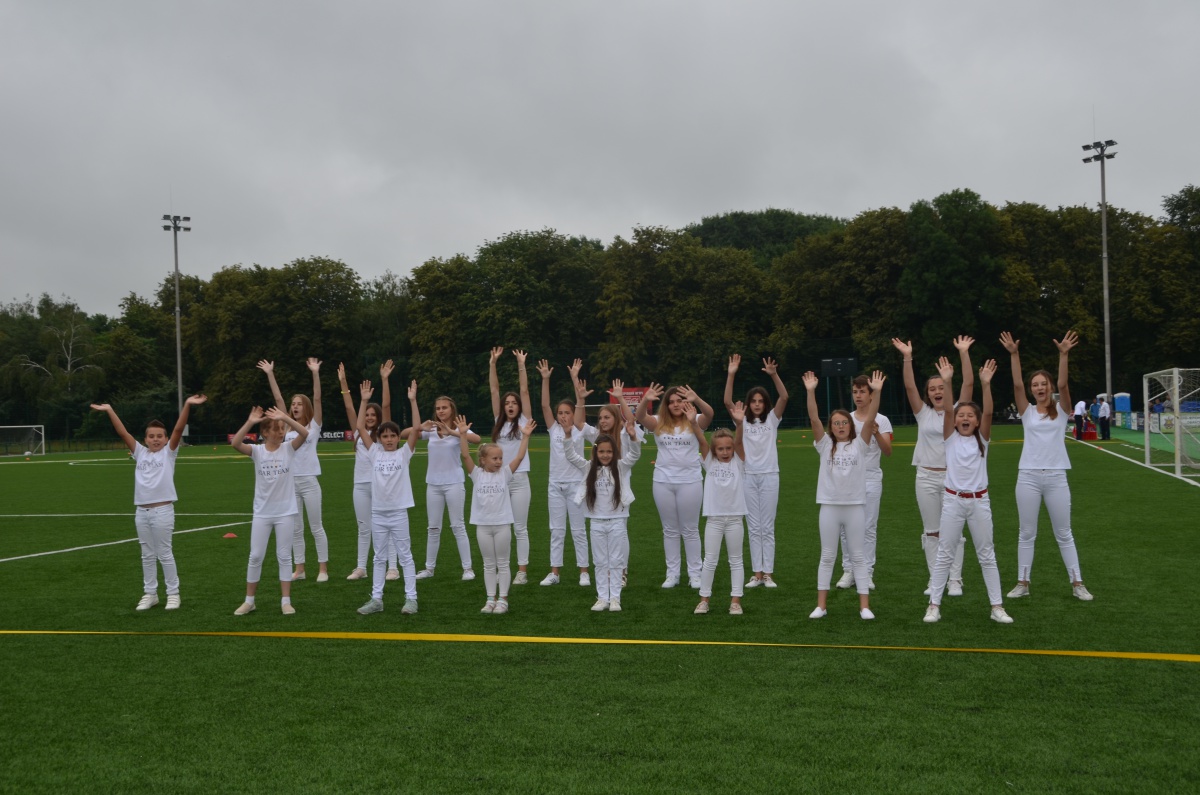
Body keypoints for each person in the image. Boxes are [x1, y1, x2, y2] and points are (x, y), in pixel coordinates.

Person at [999, 330, 1094, 602]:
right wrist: (1014, 354)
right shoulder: (1027, 411)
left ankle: (1077, 583)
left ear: (1049, 387)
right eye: (1035, 385)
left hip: (1056, 478)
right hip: (1027, 476)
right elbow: (1017, 385)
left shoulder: (1062, 410)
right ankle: (1023, 582)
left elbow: (1064, 386)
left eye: (1044, 384)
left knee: (1064, 533)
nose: (1039, 388)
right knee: (1026, 532)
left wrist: (1064, 355)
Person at [91, 394, 206, 611]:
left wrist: (188, 405)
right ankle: (150, 593)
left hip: (162, 511)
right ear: (145, 439)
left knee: (164, 552)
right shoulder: (140, 454)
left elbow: (179, 429)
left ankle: (173, 594)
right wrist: (109, 410)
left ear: (165, 438)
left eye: (159, 436)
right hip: (141, 512)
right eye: (151, 436)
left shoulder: (168, 454)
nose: (155, 439)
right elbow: (122, 432)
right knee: (146, 554)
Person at [923, 358, 1013, 625]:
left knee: (987, 555)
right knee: (944, 554)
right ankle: (933, 605)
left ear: (976, 422)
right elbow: (949, 411)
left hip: (979, 503)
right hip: (953, 502)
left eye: (969, 416)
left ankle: (997, 606)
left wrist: (986, 385)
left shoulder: (982, 439)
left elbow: (987, 412)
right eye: (961, 415)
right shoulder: (949, 438)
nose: (964, 418)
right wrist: (948, 381)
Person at [892, 337, 975, 596]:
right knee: (932, 532)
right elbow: (908, 386)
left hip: (954, 479)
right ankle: (935, 580)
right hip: (926, 477)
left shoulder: (958, 410)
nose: (937, 391)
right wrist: (908, 356)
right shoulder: (923, 413)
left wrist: (963, 353)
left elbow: (970, 384)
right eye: (932, 389)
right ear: (928, 394)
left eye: (941, 386)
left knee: (953, 531)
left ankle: (955, 580)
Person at [802, 369, 885, 620]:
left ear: (850, 426)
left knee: (858, 556)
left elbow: (870, 421)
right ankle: (821, 606)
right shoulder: (825, 445)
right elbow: (814, 419)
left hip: (854, 508)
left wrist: (877, 392)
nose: (840, 426)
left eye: (844, 423)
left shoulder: (860, 444)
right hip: (829, 507)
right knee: (827, 556)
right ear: (831, 427)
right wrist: (810, 391)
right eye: (836, 423)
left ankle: (864, 606)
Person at [451, 414, 535, 615]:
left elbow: (520, 457)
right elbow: (465, 456)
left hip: (502, 525)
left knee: (503, 563)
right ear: (483, 460)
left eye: (500, 458)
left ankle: (503, 599)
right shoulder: (476, 474)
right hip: (483, 526)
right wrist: (462, 435)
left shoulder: (505, 474)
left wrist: (525, 437)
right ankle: (490, 598)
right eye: (494, 458)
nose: (499, 462)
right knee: (489, 564)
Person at [230, 405, 310, 615]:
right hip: (262, 513)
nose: (281, 432)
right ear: (264, 432)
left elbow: (304, 433)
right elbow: (235, 443)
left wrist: (285, 417)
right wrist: (249, 422)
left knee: (284, 556)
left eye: (282, 428)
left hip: (285, 512)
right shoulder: (257, 451)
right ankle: (249, 601)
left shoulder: (289, 449)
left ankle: (285, 601)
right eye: (276, 429)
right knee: (255, 556)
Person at [561, 407, 642, 612]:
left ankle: (615, 598)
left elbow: (635, 454)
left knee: (615, 561)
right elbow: (570, 455)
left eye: (609, 452)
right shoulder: (589, 468)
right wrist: (568, 435)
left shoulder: (622, 467)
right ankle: (602, 598)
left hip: (616, 521)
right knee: (599, 561)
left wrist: (633, 437)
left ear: (614, 453)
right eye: (601, 451)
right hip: (596, 521)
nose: (605, 455)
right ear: (595, 452)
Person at [636, 384, 715, 589]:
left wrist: (696, 398)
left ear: (685, 402)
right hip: (663, 481)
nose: (675, 405)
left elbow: (709, 413)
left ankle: (695, 574)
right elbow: (640, 415)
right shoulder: (659, 423)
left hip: (690, 481)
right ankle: (672, 574)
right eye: (671, 402)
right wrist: (646, 399)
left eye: (679, 401)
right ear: (666, 406)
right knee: (670, 530)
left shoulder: (694, 420)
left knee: (690, 529)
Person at [354, 379, 422, 616]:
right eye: (385, 436)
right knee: (379, 557)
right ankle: (376, 599)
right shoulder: (374, 453)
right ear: (380, 439)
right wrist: (363, 401)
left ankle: (411, 599)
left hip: (398, 513)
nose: (390, 439)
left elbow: (416, 429)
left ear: (398, 438)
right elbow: (361, 427)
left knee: (405, 557)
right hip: (378, 513)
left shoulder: (404, 454)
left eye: (393, 435)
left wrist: (413, 401)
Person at [259, 358, 329, 583]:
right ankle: (300, 569)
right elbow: (278, 399)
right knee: (296, 529)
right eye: (293, 403)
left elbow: (317, 397)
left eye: (299, 403)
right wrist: (270, 373)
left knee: (316, 527)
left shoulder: (314, 425)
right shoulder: (286, 425)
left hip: (309, 481)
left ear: (306, 407)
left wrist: (315, 373)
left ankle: (323, 569)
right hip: (290, 483)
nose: (295, 406)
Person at [722, 355, 788, 589]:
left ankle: (768, 573)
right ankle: (757, 574)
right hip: (748, 476)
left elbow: (784, 396)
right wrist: (731, 373)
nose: (757, 404)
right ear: (748, 404)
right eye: (753, 401)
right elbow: (728, 400)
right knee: (753, 526)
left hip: (770, 475)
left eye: (761, 400)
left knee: (767, 526)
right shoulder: (742, 421)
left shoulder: (772, 419)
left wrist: (773, 374)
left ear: (765, 403)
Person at [337, 361, 399, 581]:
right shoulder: (358, 432)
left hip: (382, 486)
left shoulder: (385, 433)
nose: (370, 417)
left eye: (374, 414)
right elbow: (349, 407)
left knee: (388, 526)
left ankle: (393, 567)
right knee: (364, 527)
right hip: (361, 486)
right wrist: (344, 382)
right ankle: (361, 567)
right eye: (368, 414)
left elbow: (387, 404)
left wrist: (384, 380)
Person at [538, 358, 594, 588]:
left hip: (576, 486)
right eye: (560, 413)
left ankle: (583, 571)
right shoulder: (553, 430)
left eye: (566, 413)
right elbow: (544, 406)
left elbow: (580, 404)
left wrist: (575, 379)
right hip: (555, 486)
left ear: (574, 414)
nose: (562, 416)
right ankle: (555, 572)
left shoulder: (579, 429)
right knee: (557, 531)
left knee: (579, 530)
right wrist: (545, 379)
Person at [835, 374, 893, 591]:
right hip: (847, 479)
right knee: (845, 527)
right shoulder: (846, 418)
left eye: (862, 391)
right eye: (855, 391)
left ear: (871, 395)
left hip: (870, 478)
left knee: (868, 527)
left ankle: (866, 572)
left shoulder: (882, 419)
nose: (858, 396)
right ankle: (849, 570)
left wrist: (876, 433)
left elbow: (887, 452)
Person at [413, 394, 478, 582]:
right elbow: (405, 434)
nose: (441, 411)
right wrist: (419, 427)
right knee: (433, 528)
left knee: (458, 525)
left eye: (444, 408)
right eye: (438, 408)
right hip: (433, 484)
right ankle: (429, 568)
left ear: (452, 410)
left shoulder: (459, 428)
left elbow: (476, 438)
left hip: (454, 483)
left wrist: (454, 432)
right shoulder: (431, 429)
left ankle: (467, 568)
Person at [692, 403, 748, 616]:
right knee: (710, 560)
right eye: (720, 449)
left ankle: (735, 600)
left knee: (736, 560)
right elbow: (700, 438)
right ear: (714, 450)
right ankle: (704, 599)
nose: (725, 452)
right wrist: (692, 422)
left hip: (735, 519)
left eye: (728, 448)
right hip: (714, 520)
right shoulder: (709, 462)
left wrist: (740, 423)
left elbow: (740, 440)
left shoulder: (739, 462)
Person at [489, 347, 534, 584]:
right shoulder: (498, 420)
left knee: (519, 527)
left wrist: (521, 364)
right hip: (498, 479)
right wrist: (493, 363)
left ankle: (522, 571)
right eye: (507, 403)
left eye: (513, 403)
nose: (510, 405)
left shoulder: (525, 421)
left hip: (519, 480)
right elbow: (494, 389)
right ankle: (500, 568)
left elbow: (524, 390)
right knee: (499, 526)